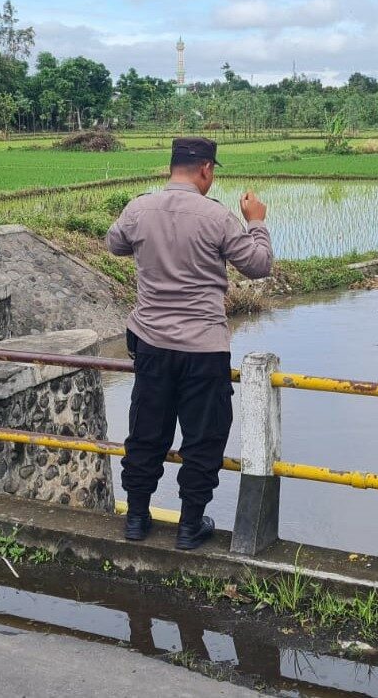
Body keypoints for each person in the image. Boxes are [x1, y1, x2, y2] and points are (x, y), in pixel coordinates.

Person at [106, 137, 273, 550]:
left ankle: (137, 519)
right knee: (204, 436)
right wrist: (256, 221)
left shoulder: (139, 208)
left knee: (146, 431)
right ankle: (189, 526)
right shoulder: (217, 217)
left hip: (151, 343)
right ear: (205, 170)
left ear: (172, 167)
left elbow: (114, 245)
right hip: (203, 348)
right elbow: (258, 266)